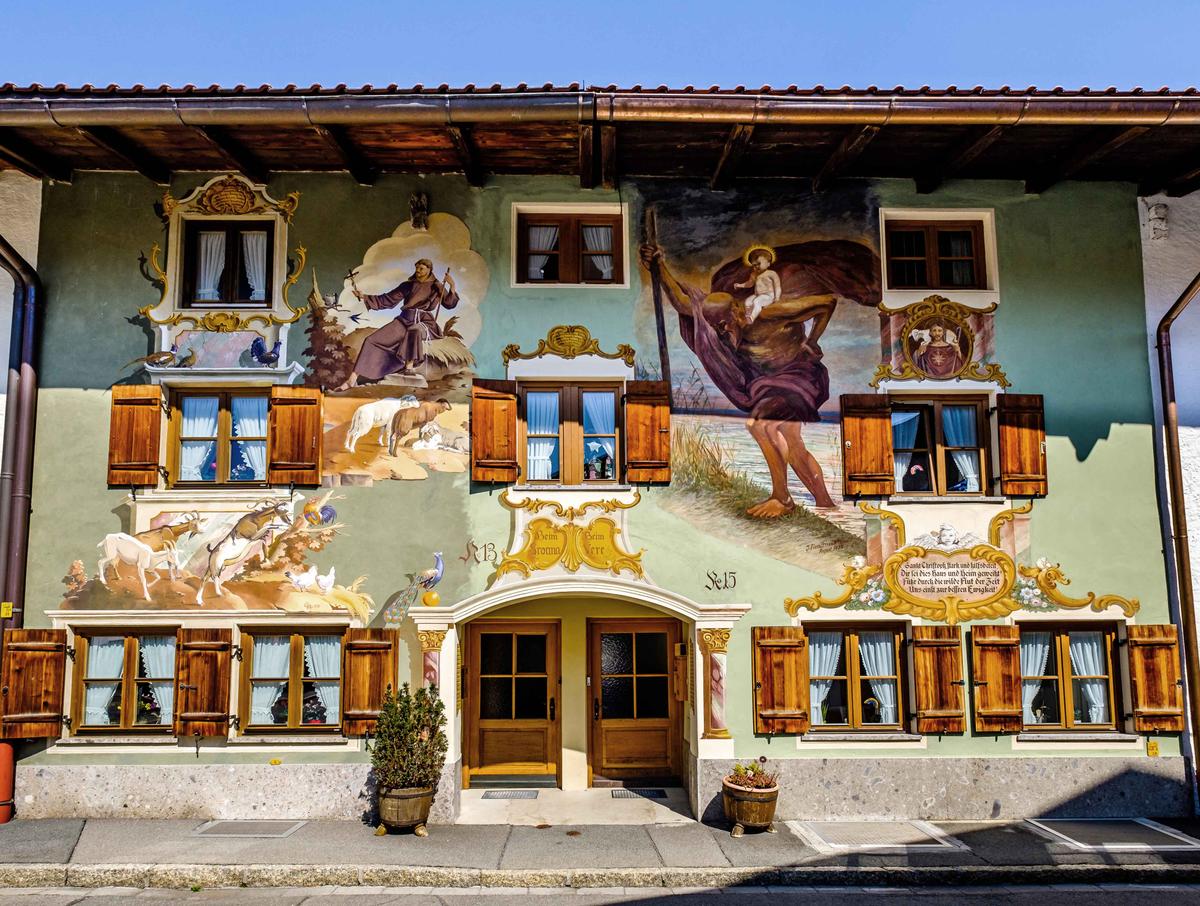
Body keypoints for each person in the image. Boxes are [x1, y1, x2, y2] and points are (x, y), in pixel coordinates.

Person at [640, 237, 880, 517]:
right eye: (716, 328)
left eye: (723, 325)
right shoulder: (720, 319)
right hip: (767, 385)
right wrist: (659, 266)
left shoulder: (770, 313)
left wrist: (812, 341)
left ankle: (782, 498)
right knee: (793, 443)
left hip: (798, 375)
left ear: (736, 310)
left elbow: (826, 303)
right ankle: (825, 502)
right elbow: (683, 304)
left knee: (760, 425)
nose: (720, 332)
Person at [334, 259, 458, 391]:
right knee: (371, 340)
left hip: (424, 322)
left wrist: (452, 286)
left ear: (429, 270)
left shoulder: (437, 286)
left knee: (414, 330)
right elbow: (388, 299)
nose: (418, 271)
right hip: (404, 319)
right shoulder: (408, 285)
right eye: (417, 268)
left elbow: (449, 303)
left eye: (421, 268)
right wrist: (364, 297)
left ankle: (409, 368)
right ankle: (351, 380)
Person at [734, 246, 783, 326]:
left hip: (768, 296)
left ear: (768, 263)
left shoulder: (771, 273)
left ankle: (752, 318)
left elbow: (777, 286)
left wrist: (777, 297)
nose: (756, 267)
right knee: (747, 302)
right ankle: (748, 315)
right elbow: (749, 284)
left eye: (758, 264)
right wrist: (740, 285)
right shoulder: (753, 275)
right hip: (757, 295)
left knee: (757, 301)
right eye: (754, 265)